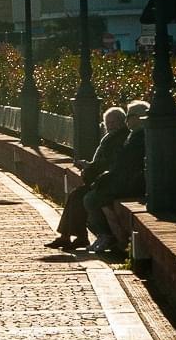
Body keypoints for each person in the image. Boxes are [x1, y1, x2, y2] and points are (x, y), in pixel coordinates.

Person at [47, 105, 126, 251]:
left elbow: (108, 162)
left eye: (114, 122)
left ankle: (82, 237)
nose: (110, 126)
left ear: (122, 122)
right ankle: (72, 237)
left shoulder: (118, 139)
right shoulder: (111, 138)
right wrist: (89, 166)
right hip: (101, 179)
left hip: (107, 181)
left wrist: (89, 167)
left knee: (80, 196)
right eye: (108, 123)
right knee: (75, 195)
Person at [82, 99, 149, 255]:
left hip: (132, 183)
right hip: (127, 179)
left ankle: (111, 237)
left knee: (91, 198)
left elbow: (124, 163)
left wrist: (102, 175)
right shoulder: (133, 135)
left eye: (129, 116)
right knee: (91, 194)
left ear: (139, 117)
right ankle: (105, 235)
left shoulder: (138, 136)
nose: (127, 120)